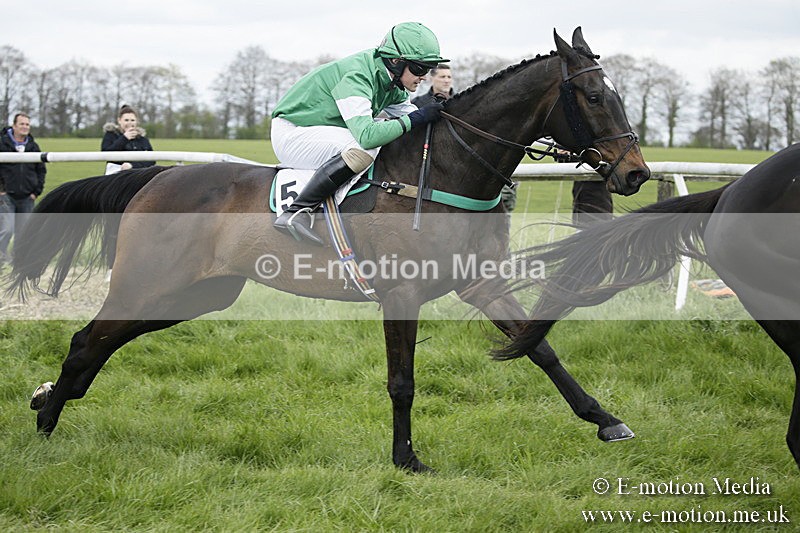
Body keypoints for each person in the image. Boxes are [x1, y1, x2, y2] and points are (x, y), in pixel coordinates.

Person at [270, 22, 448, 245]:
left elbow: (413, 120)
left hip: (323, 131)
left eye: (428, 69)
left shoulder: (393, 83)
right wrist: (417, 117)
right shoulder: (357, 75)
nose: (423, 77)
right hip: (293, 134)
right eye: (419, 69)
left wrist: (441, 113)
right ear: (396, 61)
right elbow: (368, 136)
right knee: (365, 147)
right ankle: (297, 212)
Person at [0, 113, 46, 261]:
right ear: (14, 126)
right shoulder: (2, 144)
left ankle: (18, 259)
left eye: (27, 124)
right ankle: (1, 255)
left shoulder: (33, 146)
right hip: (6, 195)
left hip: (27, 196)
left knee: (24, 231)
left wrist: (36, 191)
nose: (25, 127)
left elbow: (41, 170)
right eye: (22, 124)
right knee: (7, 229)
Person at [101, 105, 155, 173]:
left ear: (136, 121)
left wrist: (132, 165)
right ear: (119, 120)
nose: (130, 123)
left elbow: (151, 160)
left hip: (137, 175)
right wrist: (124, 138)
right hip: (114, 175)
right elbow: (106, 153)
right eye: (126, 120)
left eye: (132, 120)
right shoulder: (111, 135)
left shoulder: (142, 139)